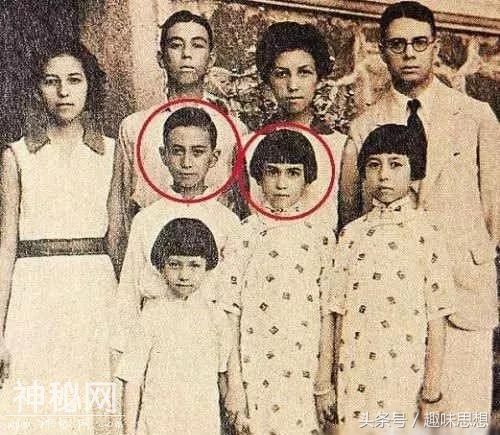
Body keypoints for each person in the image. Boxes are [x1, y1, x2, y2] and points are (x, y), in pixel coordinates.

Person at [338, 0, 499, 419]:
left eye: (419, 43)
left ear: (436, 47)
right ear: (382, 51)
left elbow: (495, 208)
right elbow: (353, 216)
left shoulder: (476, 117)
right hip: (390, 307)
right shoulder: (365, 125)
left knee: (461, 420)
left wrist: (473, 256)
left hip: (461, 295)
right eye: (397, 45)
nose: (409, 54)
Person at [0, 41, 122, 434]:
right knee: (39, 406)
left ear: (90, 86)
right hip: (35, 292)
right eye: (51, 81)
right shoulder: (17, 155)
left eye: (74, 80)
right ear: (38, 89)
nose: (63, 91)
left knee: (93, 403)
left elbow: (117, 239)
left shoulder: (111, 152)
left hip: (94, 290)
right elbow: (6, 247)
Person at [326, 124, 455, 432]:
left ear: (414, 172)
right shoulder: (351, 235)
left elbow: (437, 317)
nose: (383, 175)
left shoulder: (427, 232)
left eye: (395, 164)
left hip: (404, 372)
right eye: (374, 165)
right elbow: (339, 311)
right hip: (354, 372)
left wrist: (431, 388)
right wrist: (331, 380)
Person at [225, 129, 335, 435]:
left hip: (304, 368)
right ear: (259, 177)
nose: (282, 183)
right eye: (272, 172)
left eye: (292, 173)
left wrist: (323, 381)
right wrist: (234, 385)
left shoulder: (321, 235)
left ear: (307, 178)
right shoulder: (244, 234)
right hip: (255, 367)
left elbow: (328, 312)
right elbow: (230, 313)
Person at [110, 106, 241, 357]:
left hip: (208, 347)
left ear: (213, 158)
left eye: (198, 152)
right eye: (177, 151)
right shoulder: (146, 220)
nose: (186, 163)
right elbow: (128, 297)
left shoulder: (227, 221)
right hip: (157, 348)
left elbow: (231, 301)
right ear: (164, 155)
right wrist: (123, 361)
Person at [115, 10, 249, 240]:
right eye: (176, 45)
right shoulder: (134, 127)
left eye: (197, 45)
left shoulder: (234, 129)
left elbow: (242, 207)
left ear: (211, 59)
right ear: (161, 58)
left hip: (215, 248)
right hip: (151, 246)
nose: (187, 54)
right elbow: (120, 206)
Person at [116, 218, 234, 435]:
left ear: (208, 266)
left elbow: (223, 376)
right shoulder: (151, 315)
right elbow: (132, 378)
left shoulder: (215, 317)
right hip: (158, 425)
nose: (184, 275)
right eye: (174, 264)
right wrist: (129, 431)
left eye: (194, 265)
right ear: (161, 266)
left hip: (202, 425)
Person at [254, 21, 347, 231]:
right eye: (282, 74)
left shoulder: (340, 147)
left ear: (319, 79)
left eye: (304, 72)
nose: (293, 86)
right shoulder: (248, 145)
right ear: (268, 80)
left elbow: (348, 224)